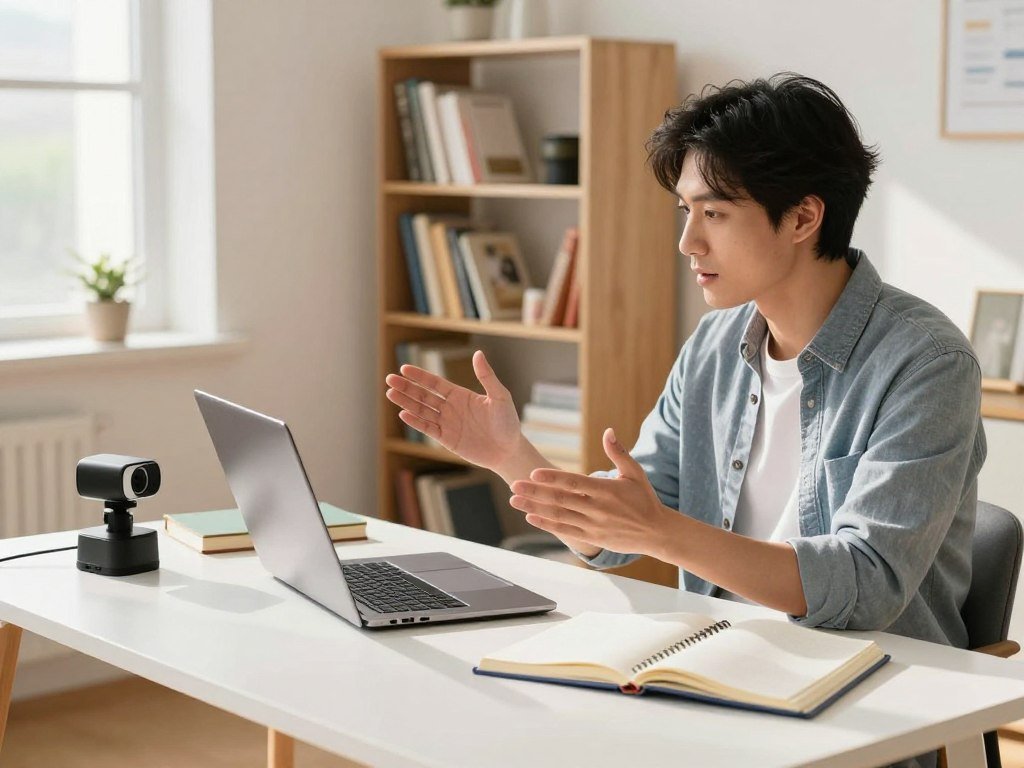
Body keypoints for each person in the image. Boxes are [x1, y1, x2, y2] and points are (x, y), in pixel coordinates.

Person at [384, 73, 984, 650]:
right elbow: (624, 529)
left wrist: (660, 531)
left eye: (714, 214)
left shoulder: (926, 364)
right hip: (719, 661)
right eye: (685, 212)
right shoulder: (713, 347)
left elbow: (866, 586)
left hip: (875, 695)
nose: (688, 243)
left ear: (803, 217)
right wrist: (511, 456)